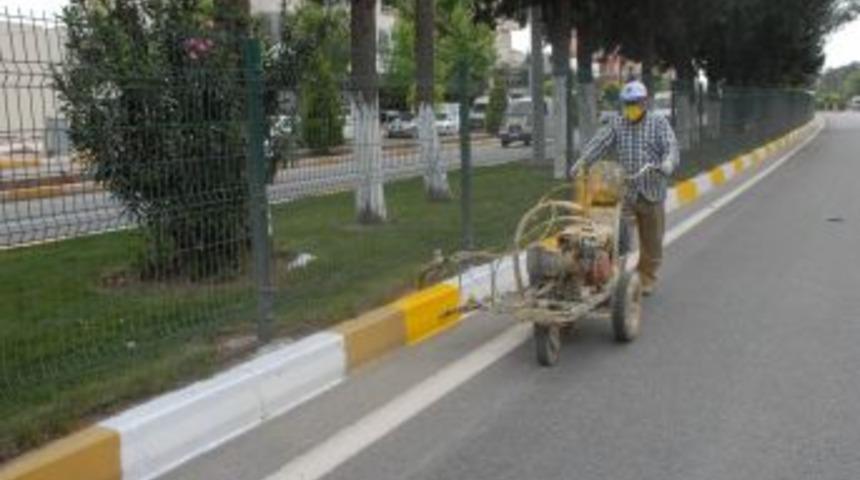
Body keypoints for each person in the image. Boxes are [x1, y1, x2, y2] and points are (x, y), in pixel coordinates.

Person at [574, 80, 679, 296]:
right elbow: (599, 144)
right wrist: (581, 164)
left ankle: (646, 278)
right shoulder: (617, 123)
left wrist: (667, 164)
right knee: (615, 236)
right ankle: (611, 275)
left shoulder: (658, 123)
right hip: (626, 191)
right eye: (628, 103)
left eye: (637, 103)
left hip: (652, 190)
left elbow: (671, 148)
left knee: (652, 241)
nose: (632, 107)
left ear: (645, 102)